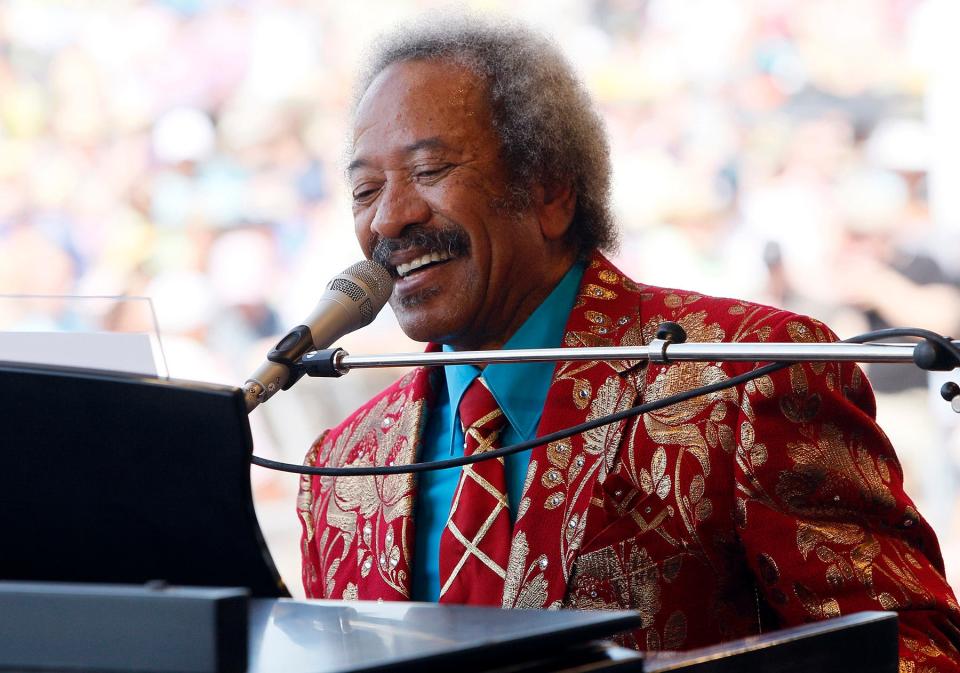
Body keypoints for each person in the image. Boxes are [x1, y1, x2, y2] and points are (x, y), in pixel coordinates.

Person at [297, 16, 960, 669]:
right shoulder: (340, 465)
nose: (389, 217)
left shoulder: (751, 372)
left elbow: (912, 650)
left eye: (430, 169)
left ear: (550, 190)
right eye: (365, 189)